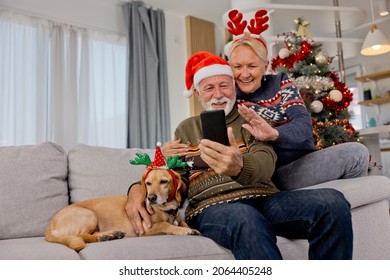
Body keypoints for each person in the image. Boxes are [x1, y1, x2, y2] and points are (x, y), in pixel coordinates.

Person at [126, 51, 353, 260]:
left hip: (265, 199)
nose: (218, 94)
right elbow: (174, 179)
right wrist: (139, 186)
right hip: (212, 208)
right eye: (208, 88)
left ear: (233, 87)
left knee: (331, 202)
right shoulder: (185, 129)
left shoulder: (250, 118)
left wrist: (239, 166)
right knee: (244, 217)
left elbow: (266, 161)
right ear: (197, 93)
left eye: (224, 85)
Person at [164, 9, 369, 191]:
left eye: (252, 66)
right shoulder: (228, 95)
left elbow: (303, 128)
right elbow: (207, 134)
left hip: (302, 161)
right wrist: (167, 154)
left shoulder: (280, 83)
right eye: (237, 67)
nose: (244, 74)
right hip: (267, 174)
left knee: (356, 153)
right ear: (229, 67)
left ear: (265, 66)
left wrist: (274, 133)